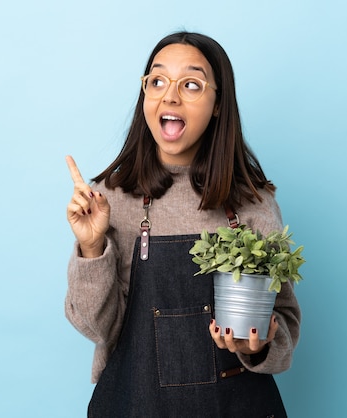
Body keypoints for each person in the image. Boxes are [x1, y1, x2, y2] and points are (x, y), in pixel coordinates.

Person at [65, 31, 301, 417]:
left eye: (191, 84)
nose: (169, 96)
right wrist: (92, 249)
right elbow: (95, 329)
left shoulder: (253, 202)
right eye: (156, 81)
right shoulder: (111, 199)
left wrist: (257, 346)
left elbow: (286, 324)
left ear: (219, 104)